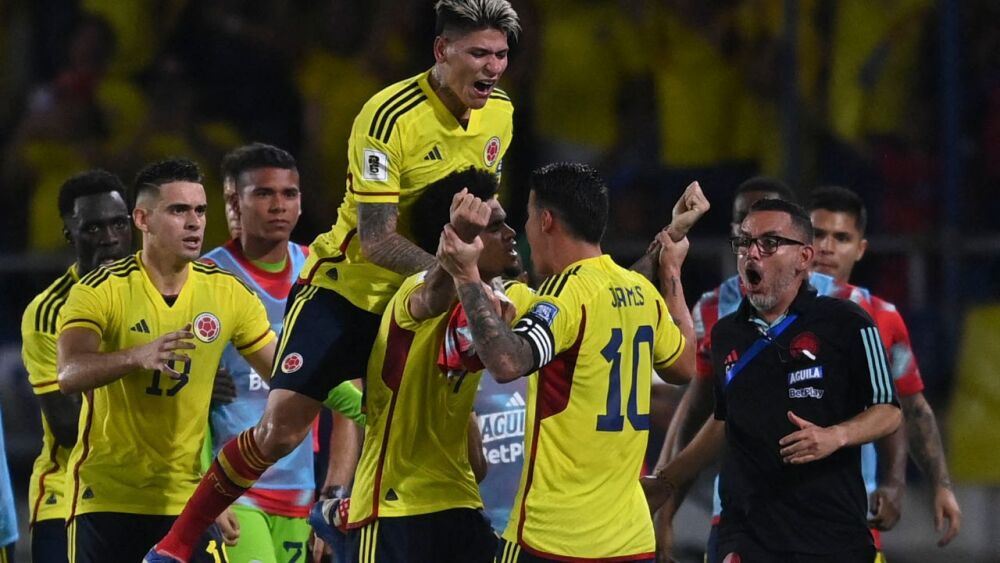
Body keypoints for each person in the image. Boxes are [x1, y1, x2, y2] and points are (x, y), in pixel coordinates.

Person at [147, 2, 521, 561]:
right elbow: (376, 240)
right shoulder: (388, 116)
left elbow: (472, 211)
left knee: (459, 443)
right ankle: (176, 543)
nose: (492, 68)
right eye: (478, 54)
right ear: (442, 52)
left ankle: (351, 516)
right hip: (347, 291)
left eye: (501, 55)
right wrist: (458, 278)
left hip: (425, 291)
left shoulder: (501, 115)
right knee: (281, 432)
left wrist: (473, 279)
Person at [436, 162, 701, 562]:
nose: (522, 230)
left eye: (525, 217)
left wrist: (466, 275)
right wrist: (670, 269)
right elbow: (683, 366)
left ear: (545, 221)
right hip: (629, 542)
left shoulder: (562, 297)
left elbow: (507, 363)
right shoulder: (638, 292)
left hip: (552, 540)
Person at [651, 198, 902, 562]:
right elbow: (725, 422)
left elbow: (889, 410)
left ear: (804, 257)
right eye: (744, 243)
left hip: (831, 536)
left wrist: (835, 436)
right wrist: (666, 481)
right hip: (746, 535)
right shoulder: (725, 335)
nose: (751, 254)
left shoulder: (850, 323)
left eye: (768, 243)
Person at [56, 158, 278, 563]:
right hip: (106, 499)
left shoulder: (228, 293)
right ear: (142, 219)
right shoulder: (101, 289)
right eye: (179, 210)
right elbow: (70, 374)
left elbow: (285, 376)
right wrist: (136, 355)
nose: (194, 222)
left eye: (200, 210)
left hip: (186, 502)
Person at [338, 167, 525, 562]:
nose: (510, 234)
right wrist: (456, 246)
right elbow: (432, 296)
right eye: (495, 227)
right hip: (394, 507)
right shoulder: (417, 290)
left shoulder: (496, 302)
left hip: (460, 500)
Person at [202, 144, 365, 563]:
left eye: (289, 194)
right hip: (234, 490)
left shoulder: (321, 274)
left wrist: (334, 495)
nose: (279, 206)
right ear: (233, 202)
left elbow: (347, 398)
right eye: (263, 194)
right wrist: (206, 490)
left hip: (299, 493)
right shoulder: (207, 278)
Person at [808, 186, 961, 548]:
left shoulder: (882, 319)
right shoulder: (762, 311)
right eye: (818, 234)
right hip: (769, 520)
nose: (827, 247)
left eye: (841, 237)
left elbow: (910, 407)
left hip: (849, 521)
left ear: (860, 249)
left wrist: (935, 484)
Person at [20, 170, 133, 563]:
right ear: (70, 233)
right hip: (67, 496)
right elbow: (68, 425)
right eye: (93, 227)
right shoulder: (49, 312)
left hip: (148, 492)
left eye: (119, 223)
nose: (109, 237)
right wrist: (147, 374)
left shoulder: (163, 295)